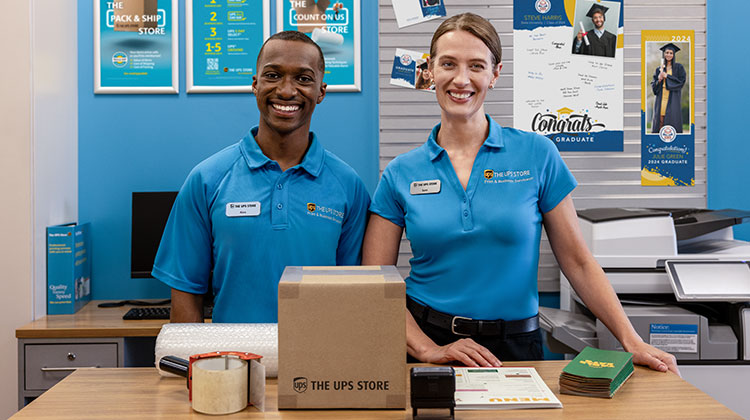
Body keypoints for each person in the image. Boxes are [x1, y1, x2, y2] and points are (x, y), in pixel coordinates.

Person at [363, 13, 679, 375]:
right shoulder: (400, 172)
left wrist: (631, 340)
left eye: (476, 66)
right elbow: (374, 281)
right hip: (428, 342)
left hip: (516, 347)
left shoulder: (537, 154)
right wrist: (428, 349)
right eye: (448, 63)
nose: (461, 79)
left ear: (494, 75)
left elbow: (577, 261)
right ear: (430, 70)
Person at [153, 31, 370, 323]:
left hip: (319, 363)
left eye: (304, 79)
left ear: (321, 91)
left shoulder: (348, 185)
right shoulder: (206, 180)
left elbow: (355, 295)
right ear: (255, 84)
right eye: (273, 75)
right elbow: (186, 293)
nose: (286, 91)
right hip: (232, 362)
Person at [651, 43, 686, 133]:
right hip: (661, 99)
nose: (668, 55)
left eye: (671, 53)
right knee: (660, 120)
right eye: (667, 52)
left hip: (673, 99)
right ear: (664, 54)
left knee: (672, 121)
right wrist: (659, 79)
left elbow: (681, 82)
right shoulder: (659, 69)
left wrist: (667, 76)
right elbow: (654, 88)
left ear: (674, 55)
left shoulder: (679, 68)